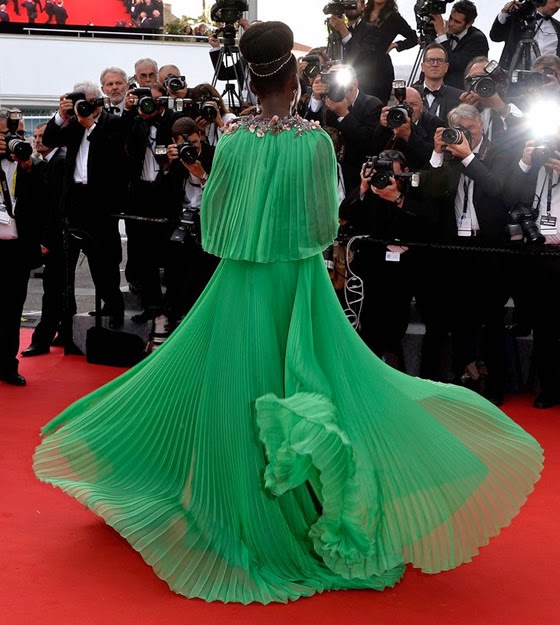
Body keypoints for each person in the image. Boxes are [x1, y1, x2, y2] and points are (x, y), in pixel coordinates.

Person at [33, 21, 543, 605]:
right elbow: (324, 227)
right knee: (318, 384)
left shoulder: (233, 141)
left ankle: (225, 496)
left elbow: (213, 227)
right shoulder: (315, 143)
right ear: (296, 80)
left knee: (232, 388)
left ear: (250, 79)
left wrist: (249, 239)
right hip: (298, 284)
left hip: (239, 284)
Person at [0, 109, 47, 385]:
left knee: (12, 308)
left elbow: (45, 195)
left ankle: (7, 365)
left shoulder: (28, 163)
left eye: (12, 133)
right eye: (3, 134)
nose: (9, 139)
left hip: (17, 248)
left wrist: (27, 164)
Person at [21, 122, 67, 357]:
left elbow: (55, 206)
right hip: (51, 235)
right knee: (60, 287)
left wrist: (46, 240)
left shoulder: (59, 162)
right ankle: (66, 332)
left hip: (56, 237)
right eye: (36, 136)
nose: (37, 140)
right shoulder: (46, 163)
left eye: (42, 136)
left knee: (53, 288)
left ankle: (42, 339)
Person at [361, 0, 418, 103]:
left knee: (378, 106)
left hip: (381, 72)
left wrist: (395, 45)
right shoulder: (363, 14)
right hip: (360, 67)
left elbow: (413, 38)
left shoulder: (394, 17)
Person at [429, 0, 489, 90]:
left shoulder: (478, 40)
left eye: (457, 22)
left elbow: (453, 65)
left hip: (460, 91)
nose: (451, 24)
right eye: (451, 18)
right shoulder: (448, 33)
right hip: (439, 88)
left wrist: (441, 34)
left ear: (469, 24)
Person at [490, 0, 560, 72]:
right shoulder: (517, 20)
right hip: (513, 74)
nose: (558, 5)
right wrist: (504, 13)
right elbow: (495, 36)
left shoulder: (558, 27)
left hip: (548, 76)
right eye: (555, 0)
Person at [414, 43, 464, 122]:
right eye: (430, 60)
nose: (435, 64)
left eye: (440, 60)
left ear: (446, 67)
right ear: (422, 67)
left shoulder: (459, 97)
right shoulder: (410, 95)